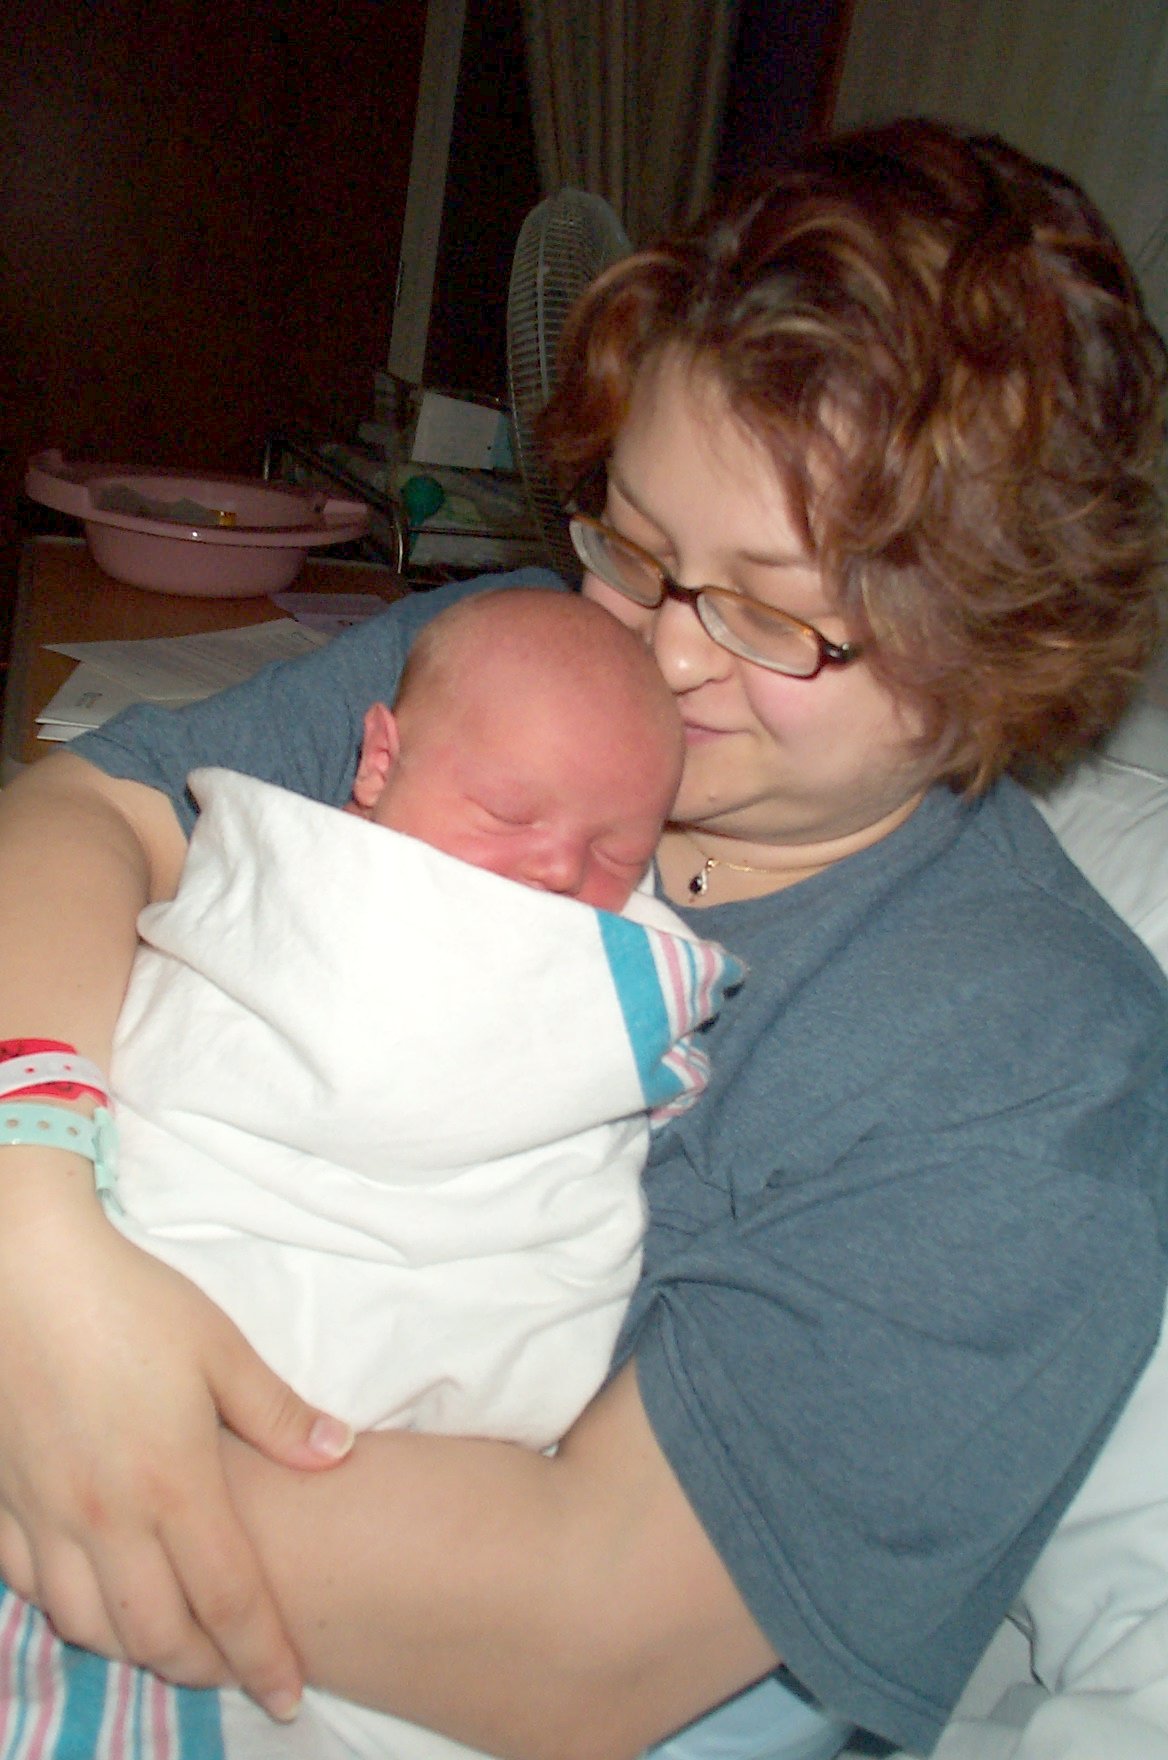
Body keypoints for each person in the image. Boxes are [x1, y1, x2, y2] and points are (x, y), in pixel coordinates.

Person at [0, 116, 1165, 1760]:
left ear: (1000, 640)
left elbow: (583, 1635)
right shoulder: (532, 665)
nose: (663, 657)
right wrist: (30, 1206)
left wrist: (60, 1434)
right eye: (634, 543)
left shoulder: (1030, 1065)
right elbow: (86, 812)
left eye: (769, 612)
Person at [0, 586, 740, 1758]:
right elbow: (90, 816)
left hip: (361, 1452)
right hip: (124, 1257)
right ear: (379, 760)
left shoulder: (624, 945)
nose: (557, 870)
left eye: (618, 852)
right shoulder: (302, 851)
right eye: (508, 813)